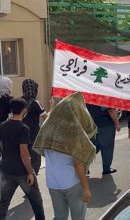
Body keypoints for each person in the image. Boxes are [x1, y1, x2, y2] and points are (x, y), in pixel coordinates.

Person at [33, 92, 96, 220]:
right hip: (72, 183)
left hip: (53, 183)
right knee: (78, 217)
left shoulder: (48, 128)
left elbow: (44, 152)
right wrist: (86, 188)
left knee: (59, 217)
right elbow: (78, 165)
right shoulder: (74, 132)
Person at [0, 98, 45, 220]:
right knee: (36, 201)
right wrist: (30, 172)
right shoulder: (23, 128)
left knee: (3, 202)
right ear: (24, 110)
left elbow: (2, 147)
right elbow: (24, 153)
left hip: (6, 169)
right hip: (22, 172)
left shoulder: (2, 125)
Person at [21, 79, 49, 175]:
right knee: (35, 158)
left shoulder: (19, 101)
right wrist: (52, 107)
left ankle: (26, 175)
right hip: (34, 135)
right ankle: (33, 177)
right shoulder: (36, 103)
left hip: (21, 134)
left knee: (24, 156)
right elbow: (46, 118)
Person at [86, 104, 120, 174]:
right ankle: (106, 168)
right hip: (106, 124)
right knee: (107, 148)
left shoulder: (88, 95)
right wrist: (116, 122)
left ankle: (84, 166)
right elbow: (111, 111)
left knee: (93, 147)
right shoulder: (105, 94)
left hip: (91, 125)